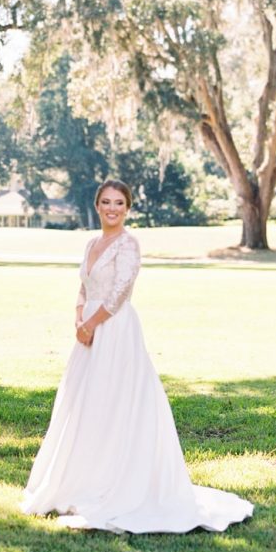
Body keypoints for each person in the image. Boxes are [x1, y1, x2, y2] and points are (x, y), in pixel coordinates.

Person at [22, 179, 254, 533]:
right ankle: (82, 477)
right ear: (97, 205)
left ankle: (115, 481)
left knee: (114, 399)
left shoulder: (128, 245)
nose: (112, 208)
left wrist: (92, 325)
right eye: (106, 202)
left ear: (127, 209)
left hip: (114, 330)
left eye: (119, 203)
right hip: (87, 331)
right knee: (84, 403)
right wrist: (78, 320)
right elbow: (84, 286)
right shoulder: (91, 243)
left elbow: (119, 293)